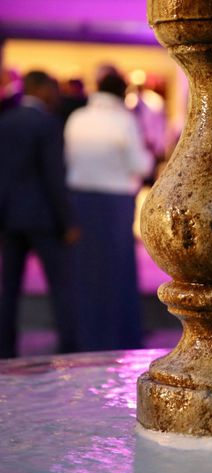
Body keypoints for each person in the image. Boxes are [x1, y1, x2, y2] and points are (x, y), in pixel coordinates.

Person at [64, 71, 153, 351]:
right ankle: (119, 338)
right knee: (118, 272)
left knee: (85, 272)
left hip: (80, 199)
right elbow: (140, 165)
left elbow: (67, 159)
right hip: (114, 201)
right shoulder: (123, 120)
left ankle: (85, 336)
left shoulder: (77, 118)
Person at [0, 70, 79, 358]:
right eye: (53, 88)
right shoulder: (47, 124)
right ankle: (68, 347)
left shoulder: (5, 121)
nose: (56, 94)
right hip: (43, 218)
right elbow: (53, 177)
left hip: (9, 219)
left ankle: (5, 351)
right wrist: (68, 221)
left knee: (8, 289)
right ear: (42, 88)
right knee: (60, 287)